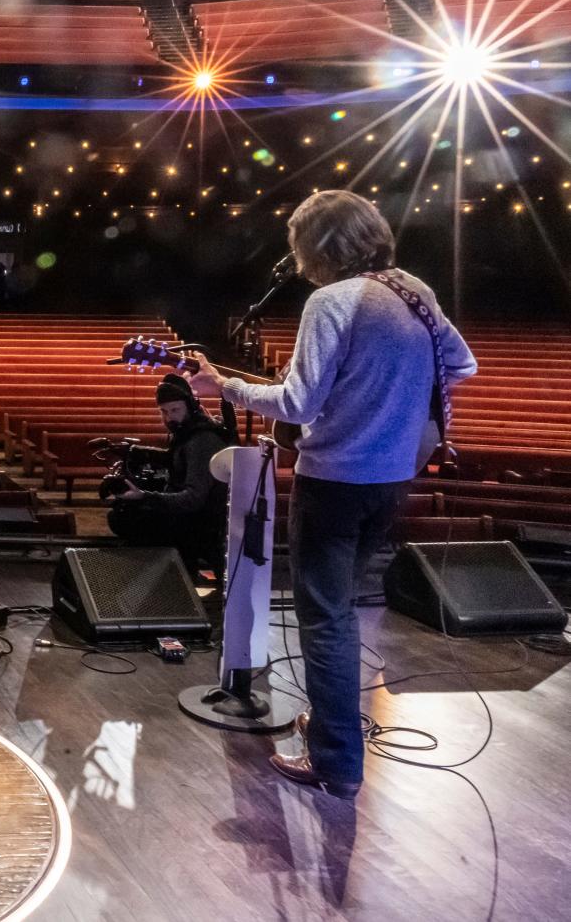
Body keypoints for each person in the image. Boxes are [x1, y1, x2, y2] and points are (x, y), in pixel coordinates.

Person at [188, 190, 476, 799]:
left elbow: (296, 404)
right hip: (393, 479)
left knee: (327, 620)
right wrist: (388, 401)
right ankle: (332, 725)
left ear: (320, 246)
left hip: (336, 481)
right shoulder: (413, 290)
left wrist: (227, 385)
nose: (297, 262)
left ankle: (337, 761)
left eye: (300, 247)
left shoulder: (332, 301)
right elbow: (462, 364)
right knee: (342, 609)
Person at [106, 373, 232, 577]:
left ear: (190, 407)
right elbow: (175, 459)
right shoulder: (188, 432)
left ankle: (164, 582)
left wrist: (145, 496)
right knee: (123, 513)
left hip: (199, 524)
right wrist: (133, 451)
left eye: (175, 410)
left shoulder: (202, 440)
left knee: (125, 518)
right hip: (191, 516)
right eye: (163, 412)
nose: (168, 418)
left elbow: (193, 499)